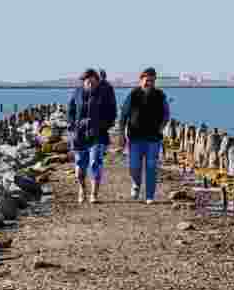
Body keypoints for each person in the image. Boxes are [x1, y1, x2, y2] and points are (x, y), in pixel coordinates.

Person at [120, 67, 170, 203]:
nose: (149, 83)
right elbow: (124, 114)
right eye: (147, 80)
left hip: (153, 138)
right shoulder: (133, 94)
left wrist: (161, 127)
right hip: (135, 137)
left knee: (151, 167)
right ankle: (136, 184)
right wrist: (121, 134)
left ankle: (150, 196)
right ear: (141, 80)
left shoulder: (160, 95)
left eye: (152, 81)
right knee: (134, 166)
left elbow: (166, 114)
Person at [67, 68, 117, 203]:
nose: (90, 84)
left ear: (97, 81)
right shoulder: (77, 93)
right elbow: (70, 111)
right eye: (87, 82)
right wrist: (73, 126)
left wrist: (104, 125)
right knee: (80, 166)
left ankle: (94, 194)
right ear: (83, 82)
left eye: (93, 82)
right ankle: (82, 189)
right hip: (79, 135)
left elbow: (112, 111)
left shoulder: (105, 92)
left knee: (95, 162)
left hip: (98, 134)